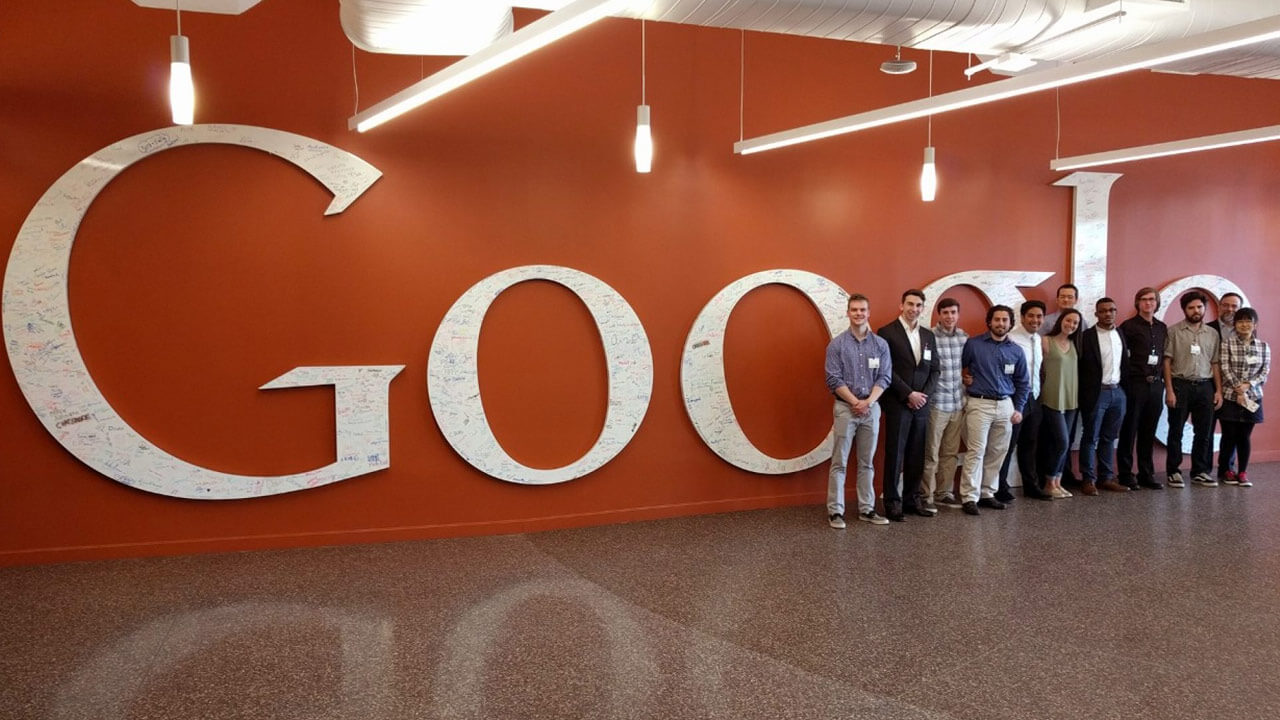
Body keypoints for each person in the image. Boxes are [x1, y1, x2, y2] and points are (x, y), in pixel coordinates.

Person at [824, 294, 893, 528]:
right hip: (845, 409)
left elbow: (885, 376)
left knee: (867, 463)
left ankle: (867, 509)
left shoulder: (880, 345)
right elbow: (833, 378)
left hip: (871, 409)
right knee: (839, 462)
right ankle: (835, 511)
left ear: (868, 312)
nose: (858, 313)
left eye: (862, 310)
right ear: (847, 313)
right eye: (854, 310)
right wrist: (856, 402)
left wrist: (869, 402)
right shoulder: (837, 345)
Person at [958, 305, 1030, 516]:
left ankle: (987, 492)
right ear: (989, 322)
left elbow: (1023, 383)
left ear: (1010, 323)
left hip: (1006, 405)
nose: (1000, 323)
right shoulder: (973, 344)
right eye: (996, 319)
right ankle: (969, 497)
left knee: (998, 451)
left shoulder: (1016, 351)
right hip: (979, 403)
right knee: (976, 450)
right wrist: (964, 380)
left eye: (1005, 320)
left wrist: (1018, 408)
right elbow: (958, 369)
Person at [877, 289, 941, 520]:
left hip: (922, 405)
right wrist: (908, 394)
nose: (914, 309)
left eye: (918, 305)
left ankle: (912, 499)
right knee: (895, 454)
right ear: (901, 305)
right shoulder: (886, 332)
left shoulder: (928, 335)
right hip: (898, 402)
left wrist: (923, 395)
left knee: (917, 453)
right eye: (910, 304)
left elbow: (935, 368)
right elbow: (886, 370)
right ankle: (892, 502)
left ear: (923, 308)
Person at [1164, 291, 1222, 488]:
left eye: (1199, 307)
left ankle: (1200, 471)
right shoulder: (1173, 331)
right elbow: (1166, 361)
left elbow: (1215, 363)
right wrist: (1169, 390)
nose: (1196, 311)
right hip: (1180, 385)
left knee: (1204, 431)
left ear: (1204, 308)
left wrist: (1218, 391)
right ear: (1184, 310)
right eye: (1191, 307)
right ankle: (1173, 471)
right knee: (1176, 431)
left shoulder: (1212, 334)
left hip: (1205, 386)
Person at [1117, 287, 1168, 490]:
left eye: (1152, 300)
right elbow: (1122, 358)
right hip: (1135, 384)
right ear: (1137, 303)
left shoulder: (1162, 327)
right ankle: (1126, 474)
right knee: (1129, 430)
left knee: (1149, 431)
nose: (1148, 303)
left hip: (1156, 385)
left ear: (1157, 303)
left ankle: (1147, 474)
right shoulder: (1128, 327)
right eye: (1144, 299)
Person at [1078, 297, 1130, 495]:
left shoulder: (1120, 334)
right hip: (1096, 393)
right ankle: (1088, 480)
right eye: (1103, 311)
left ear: (1116, 312)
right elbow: (1080, 368)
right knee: (1090, 437)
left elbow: (1124, 364)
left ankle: (1106, 478)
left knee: (1109, 437)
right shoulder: (1087, 336)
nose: (1108, 313)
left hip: (1117, 392)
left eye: (1112, 310)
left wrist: (1124, 392)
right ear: (1096, 314)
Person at [997, 300, 1047, 501]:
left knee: (1030, 444)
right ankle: (1000, 486)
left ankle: (1031, 486)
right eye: (1031, 316)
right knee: (1007, 445)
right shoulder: (1011, 339)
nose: (1035, 320)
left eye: (1039, 316)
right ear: (1023, 317)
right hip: (1014, 399)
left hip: (1034, 398)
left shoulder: (1038, 339)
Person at [922, 298, 967, 511]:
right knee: (931, 452)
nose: (950, 316)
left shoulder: (964, 338)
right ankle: (926, 495)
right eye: (946, 312)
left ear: (958, 314)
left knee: (950, 453)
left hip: (958, 403)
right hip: (937, 404)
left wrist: (969, 379)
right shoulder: (929, 337)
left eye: (953, 312)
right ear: (939, 314)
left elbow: (970, 366)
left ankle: (944, 492)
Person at [1217, 307, 1268, 487]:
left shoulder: (1263, 346)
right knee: (1229, 435)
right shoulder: (1227, 344)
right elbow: (1224, 367)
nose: (1245, 324)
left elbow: (1264, 372)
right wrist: (1239, 389)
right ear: (1235, 324)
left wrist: (1248, 386)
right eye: (1240, 321)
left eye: (1248, 321)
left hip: (1253, 397)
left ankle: (1243, 472)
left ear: (1255, 324)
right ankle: (1226, 470)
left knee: (1244, 436)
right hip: (1231, 396)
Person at [1040, 309, 1082, 499]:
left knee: (1067, 442)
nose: (1071, 325)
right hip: (1052, 398)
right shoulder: (1046, 341)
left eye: (1075, 323)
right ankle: (1049, 482)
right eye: (1069, 320)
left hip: (1071, 399)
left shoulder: (1075, 344)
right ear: (1061, 321)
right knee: (1061, 442)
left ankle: (1058, 481)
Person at [1208, 292, 1243, 479]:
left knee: (1232, 432)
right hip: (1210, 387)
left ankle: (1226, 470)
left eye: (1234, 306)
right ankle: (1204, 470)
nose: (1230, 309)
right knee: (1206, 430)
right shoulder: (1208, 329)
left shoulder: (1245, 331)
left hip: (1234, 390)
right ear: (1219, 306)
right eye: (1226, 305)